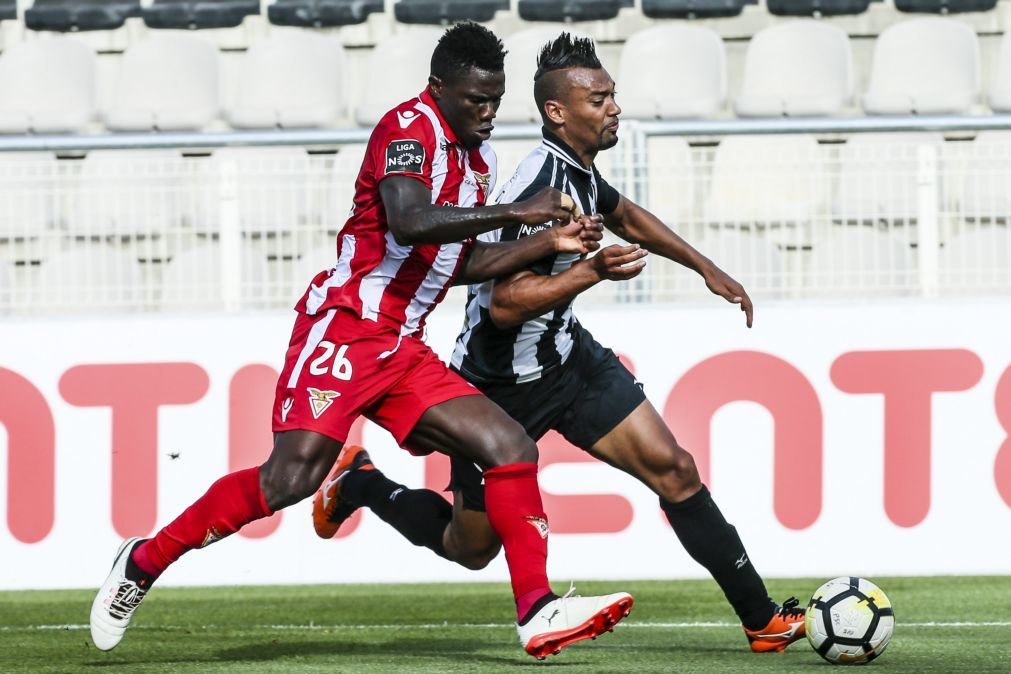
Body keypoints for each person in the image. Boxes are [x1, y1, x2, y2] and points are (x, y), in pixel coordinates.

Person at [90, 23, 635, 661]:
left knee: (507, 444)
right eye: (474, 100)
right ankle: (144, 561)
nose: (487, 114)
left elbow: (451, 263)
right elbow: (409, 219)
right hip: (347, 328)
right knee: (289, 479)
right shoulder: (409, 127)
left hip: (403, 347)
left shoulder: (477, 161)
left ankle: (538, 611)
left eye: (495, 100)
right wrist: (519, 215)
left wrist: (546, 244)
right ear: (439, 89)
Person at [313, 33, 808, 654]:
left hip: (569, 362)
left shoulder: (577, 171)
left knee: (674, 470)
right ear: (558, 111)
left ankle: (762, 619)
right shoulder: (536, 187)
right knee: (469, 549)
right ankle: (360, 484)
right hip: (496, 384)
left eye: (612, 95)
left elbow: (624, 214)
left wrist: (704, 266)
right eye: (598, 98)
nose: (613, 108)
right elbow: (501, 304)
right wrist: (589, 273)